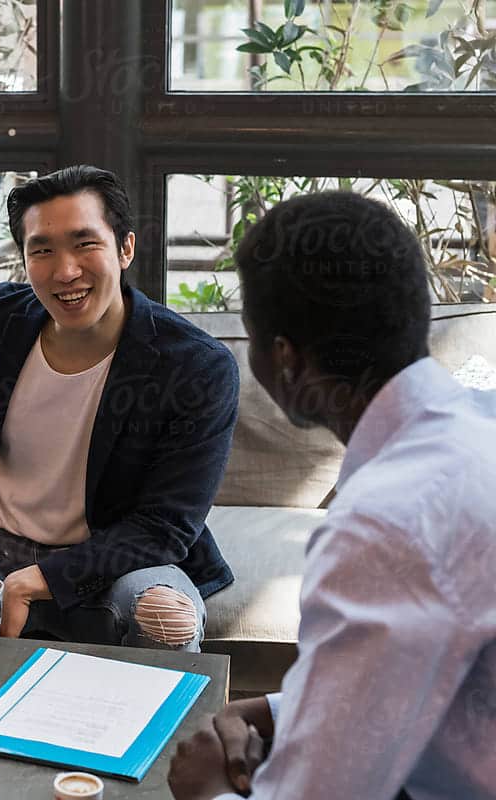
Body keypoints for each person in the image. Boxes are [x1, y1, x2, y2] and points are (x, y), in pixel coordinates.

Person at [167, 192, 496, 800]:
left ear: (285, 359)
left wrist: (207, 788)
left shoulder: (386, 527)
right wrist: (269, 711)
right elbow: (426, 668)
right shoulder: (479, 429)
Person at [0, 165, 239, 650]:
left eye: (85, 244)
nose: (65, 271)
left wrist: (38, 579)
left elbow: (164, 527)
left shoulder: (196, 366)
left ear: (125, 248)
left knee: (167, 621)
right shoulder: (1, 317)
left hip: (117, 550)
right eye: (42, 249)